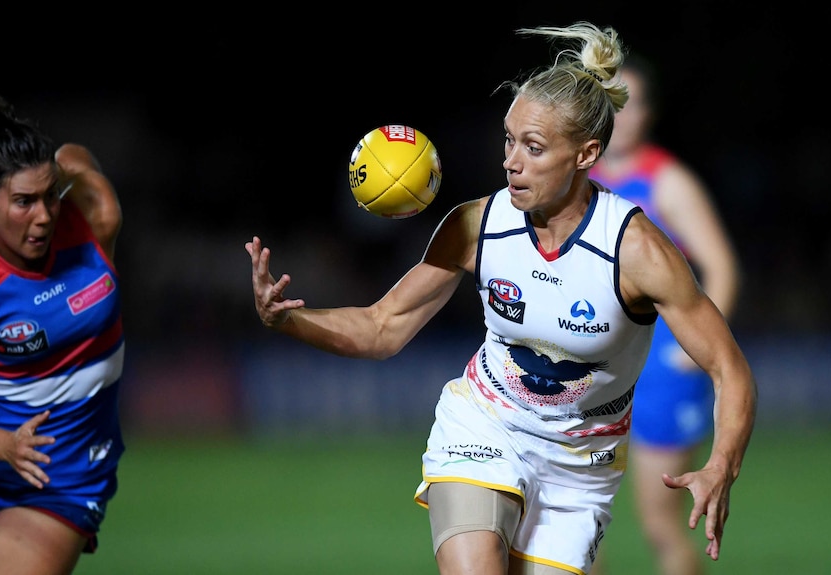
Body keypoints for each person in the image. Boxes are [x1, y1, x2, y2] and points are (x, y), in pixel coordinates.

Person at [246, 21, 756, 575]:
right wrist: (286, 321)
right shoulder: (477, 225)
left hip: (579, 466)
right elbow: (381, 327)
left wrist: (722, 464)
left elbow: (729, 369)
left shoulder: (636, 251)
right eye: (508, 141)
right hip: (484, 426)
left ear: (586, 155)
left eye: (534, 148)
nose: (512, 160)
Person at [587, 55, 741, 575]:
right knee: (578, 526)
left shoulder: (668, 182)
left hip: (660, 373)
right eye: (613, 104)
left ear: (647, 113)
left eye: (632, 105)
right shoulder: (575, 180)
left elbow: (721, 269)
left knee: (660, 524)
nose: (623, 116)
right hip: (594, 370)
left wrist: (692, 353)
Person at [0, 91, 125, 575]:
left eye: (48, 196)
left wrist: (52, 169)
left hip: (60, 482)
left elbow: (73, 156)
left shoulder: (93, 214)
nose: (43, 216)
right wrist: (2, 445)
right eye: (23, 202)